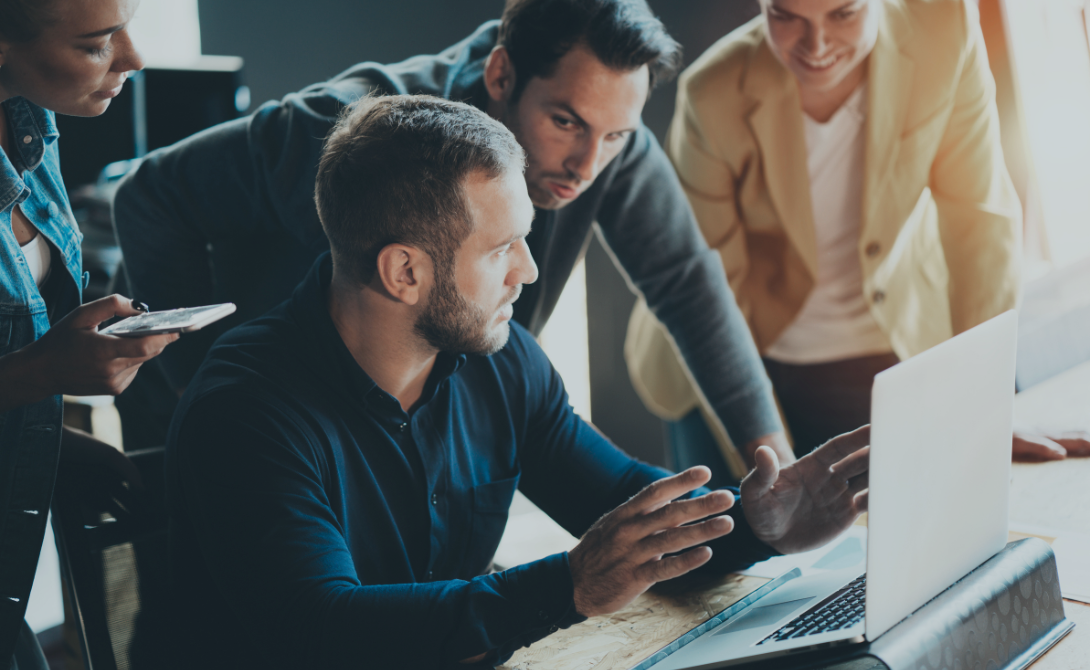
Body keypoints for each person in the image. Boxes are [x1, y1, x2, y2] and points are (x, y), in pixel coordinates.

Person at [166, 93, 871, 670]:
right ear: (404, 272)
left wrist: (758, 527)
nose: (528, 271)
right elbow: (326, 631)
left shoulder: (501, 361)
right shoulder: (246, 411)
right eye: (502, 247)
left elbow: (625, 508)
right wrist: (568, 586)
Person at [113, 0, 797, 468]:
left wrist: (774, 465)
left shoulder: (608, 148)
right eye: (566, 122)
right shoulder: (342, 132)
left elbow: (688, 288)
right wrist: (201, 384)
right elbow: (149, 196)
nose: (588, 166)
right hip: (215, 406)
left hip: (386, 425)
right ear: (501, 75)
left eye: (615, 135)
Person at [625, 0, 1090, 482]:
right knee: (736, 540)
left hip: (885, 348)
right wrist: (769, 454)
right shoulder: (714, 91)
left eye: (843, 14)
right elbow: (707, 284)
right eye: (785, 17)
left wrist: (985, 404)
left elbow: (978, 220)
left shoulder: (944, 32)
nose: (817, 45)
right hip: (737, 355)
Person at [0, 1, 177, 667]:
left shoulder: (28, 123)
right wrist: (41, 375)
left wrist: (53, 443)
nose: (133, 58)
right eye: (99, 42)